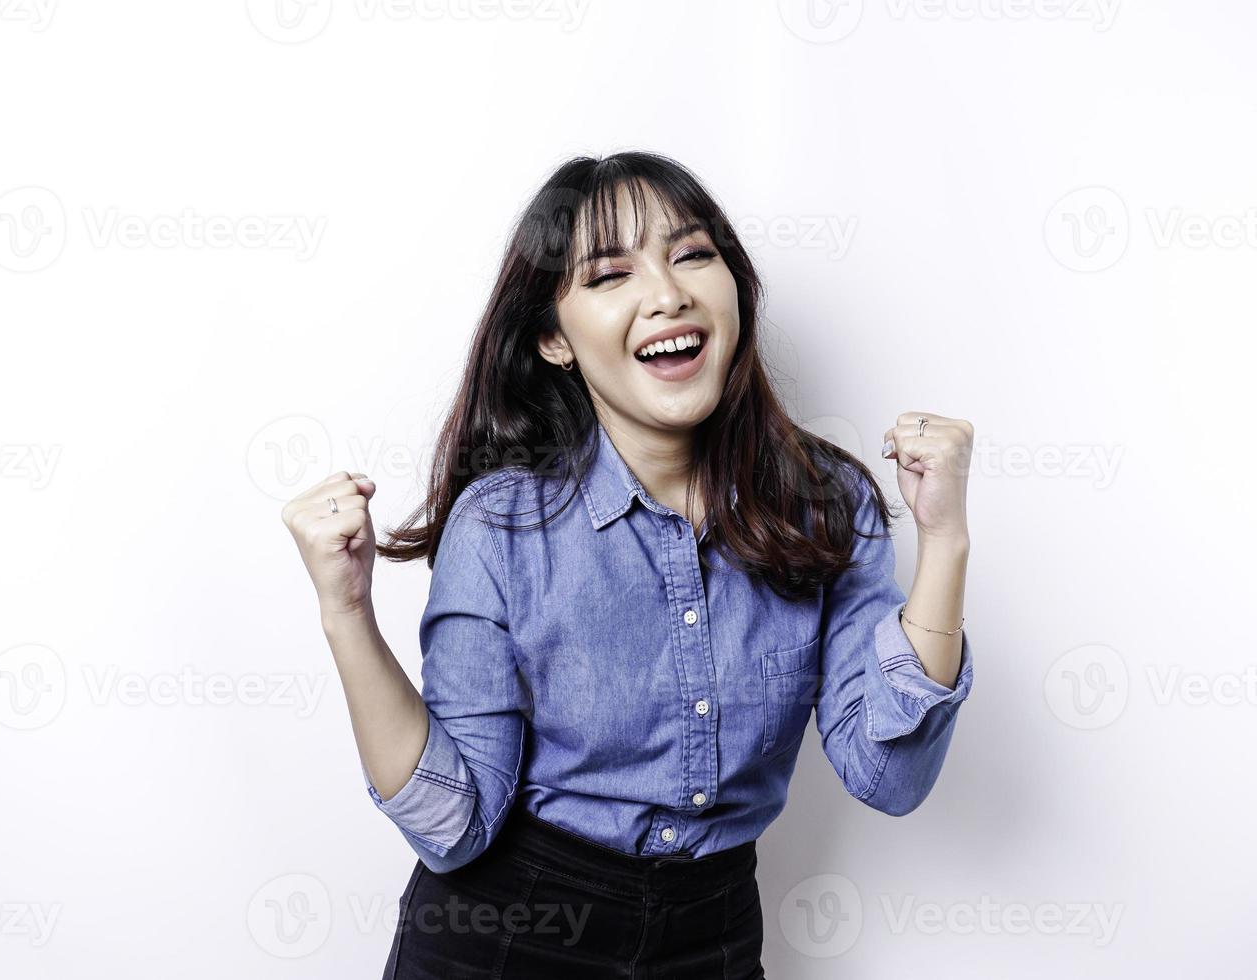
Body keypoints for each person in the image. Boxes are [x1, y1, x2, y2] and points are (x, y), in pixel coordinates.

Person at [281, 150, 976, 978]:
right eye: (611, 275)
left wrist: (945, 542)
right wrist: (347, 612)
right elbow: (451, 823)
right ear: (552, 338)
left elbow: (888, 773)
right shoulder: (502, 525)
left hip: (711, 936)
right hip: (506, 937)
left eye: (691, 255)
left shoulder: (824, 502)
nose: (667, 293)